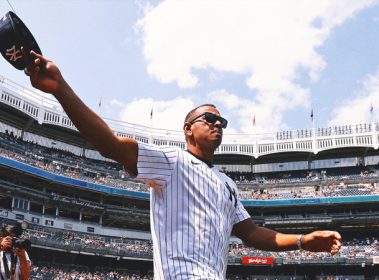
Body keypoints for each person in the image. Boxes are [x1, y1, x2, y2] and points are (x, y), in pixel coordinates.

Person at [23, 50, 341, 279]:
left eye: (222, 121)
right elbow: (111, 145)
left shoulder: (228, 185)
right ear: (188, 128)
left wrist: (303, 241)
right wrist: (61, 89)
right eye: (210, 119)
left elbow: (252, 234)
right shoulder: (171, 162)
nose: (218, 124)